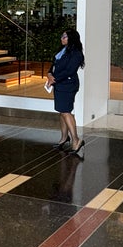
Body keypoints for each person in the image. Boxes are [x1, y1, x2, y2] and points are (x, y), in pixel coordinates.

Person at [45, 28, 85, 157]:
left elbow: (69, 71)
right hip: (59, 84)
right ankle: (64, 138)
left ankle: (76, 140)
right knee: (62, 111)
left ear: (71, 38)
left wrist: (54, 79)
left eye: (65, 37)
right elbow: (54, 65)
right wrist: (49, 74)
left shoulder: (76, 54)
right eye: (62, 36)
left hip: (67, 85)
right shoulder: (62, 50)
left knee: (66, 112)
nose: (62, 39)